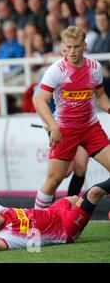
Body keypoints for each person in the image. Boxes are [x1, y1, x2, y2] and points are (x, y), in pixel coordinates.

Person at [33, 25, 110, 209]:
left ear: (84, 46)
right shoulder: (56, 70)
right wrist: (53, 127)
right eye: (68, 47)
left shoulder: (95, 68)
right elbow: (39, 100)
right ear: (63, 47)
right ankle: (35, 223)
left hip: (91, 128)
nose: (72, 52)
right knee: (54, 180)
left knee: (81, 169)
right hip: (65, 130)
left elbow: (100, 96)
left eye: (76, 47)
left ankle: (77, 208)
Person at [0, 177, 110, 251]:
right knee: (94, 193)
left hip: (53, 212)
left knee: (75, 199)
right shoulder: (4, 237)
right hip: (65, 229)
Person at [32, 75, 89, 202]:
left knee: (81, 167)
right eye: (65, 52)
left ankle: (70, 206)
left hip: (82, 125)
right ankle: (46, 204)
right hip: (60, 128)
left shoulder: (87, 70)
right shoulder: (54, 72)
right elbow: (37, 99)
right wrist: (49, 124)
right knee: (64, 172)